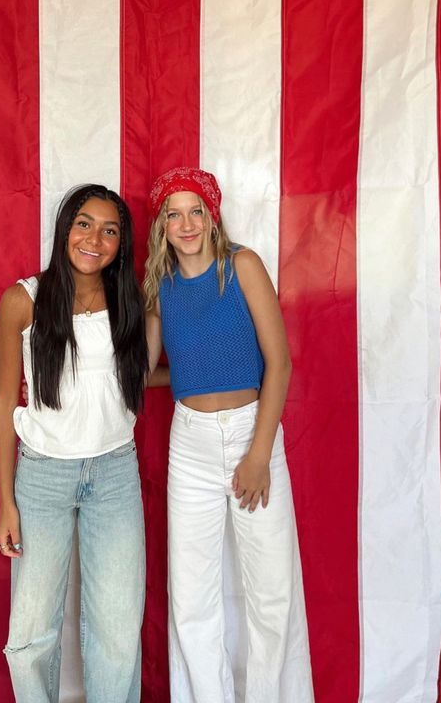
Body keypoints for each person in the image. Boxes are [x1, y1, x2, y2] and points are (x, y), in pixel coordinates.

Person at [144, 167, 314, 703]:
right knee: (192, 596)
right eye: (174, 213)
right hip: (189, 444)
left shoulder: (241, 265)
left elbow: (279, 363)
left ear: (213, 214)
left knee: (271, 593)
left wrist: (260, 453)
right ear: (162, 225)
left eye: (196, 210)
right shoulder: (157, 284)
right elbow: (146, 371)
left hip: (251, 432)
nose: (186, 223)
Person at [0, 183, 148, 703]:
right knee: (31, 631)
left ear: (120, 244)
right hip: (42, 477)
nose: (94, 238)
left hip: (114, 473)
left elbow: (133, 377)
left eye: (109, 230)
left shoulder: (130, 300)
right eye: (84, 223)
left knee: (118, 630)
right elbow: (1, 400)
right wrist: (6, 502)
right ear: (65, 229)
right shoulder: (24, 300)